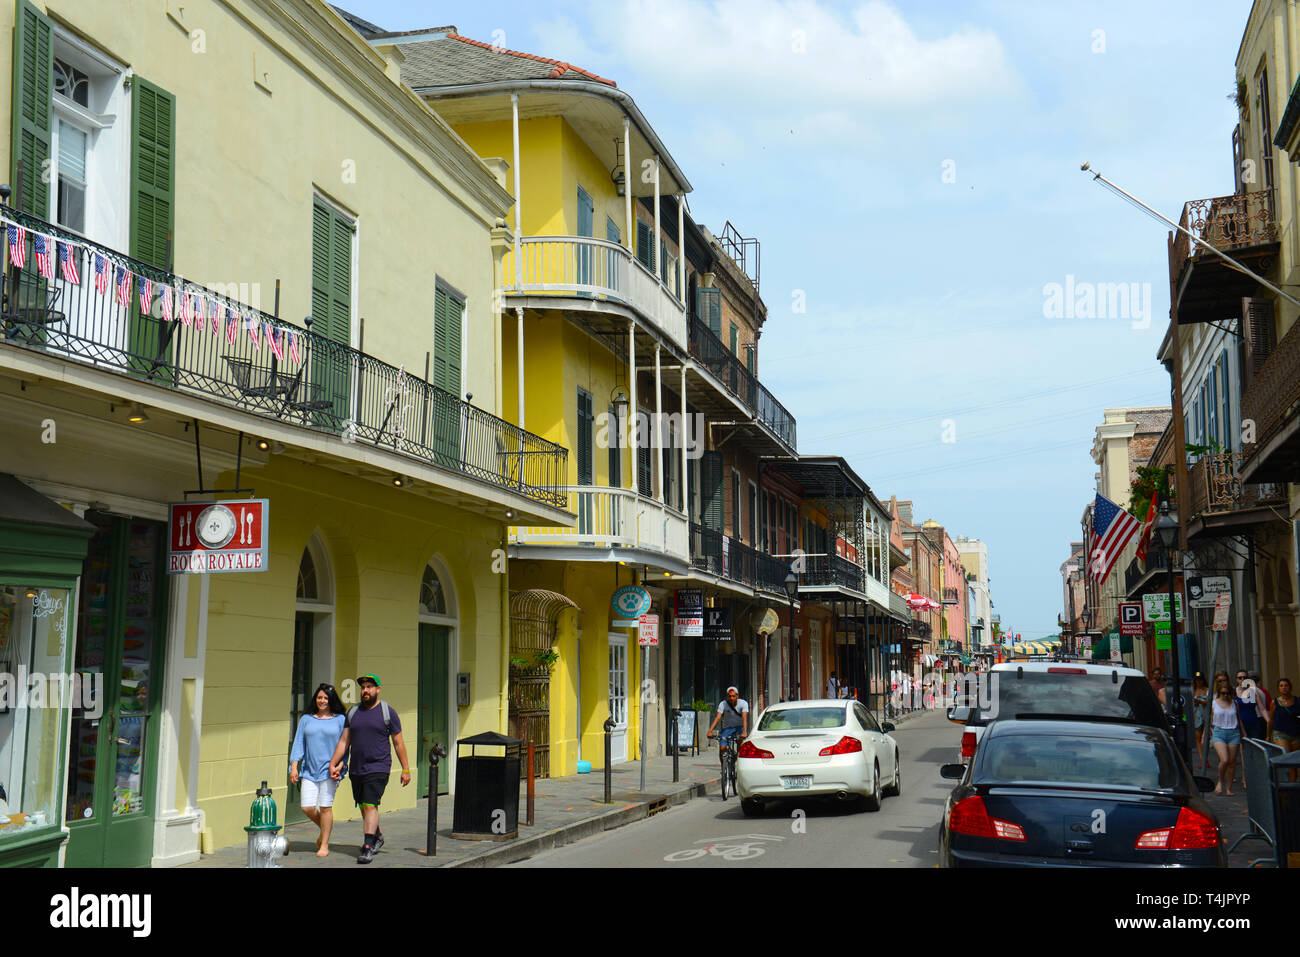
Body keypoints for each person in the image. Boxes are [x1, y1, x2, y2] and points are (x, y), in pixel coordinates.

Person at [328, 674, 411, 864]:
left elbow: (398, 743)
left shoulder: (387, 712)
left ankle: (367, 847)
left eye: (369, 687)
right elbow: (344, 741)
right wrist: (334, 762)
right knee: (364, 805)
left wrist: (405, 769)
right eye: (363, 687)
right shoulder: (353, 712)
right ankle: (377, 835)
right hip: (357, 767)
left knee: (369, 804)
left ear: (378, 689)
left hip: (378, 766)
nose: (365, 690)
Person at [289, 683, 347, 857]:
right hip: (309, 770)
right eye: (319, 697)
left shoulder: (340, 719)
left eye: (326, 698)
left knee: (325, 807)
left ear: (331, 700)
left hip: (330, 770)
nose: (322, 701)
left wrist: (341, 764)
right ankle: (324, 829)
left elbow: (345, 745)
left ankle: (324, 844)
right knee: (307, 807)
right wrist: (294, 766)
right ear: (315, 699)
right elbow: (299, 742)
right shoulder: (306, 719)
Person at [1210, 675, 1242, 795]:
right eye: (1223, 693)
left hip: (1234, 732)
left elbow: (1239, 719)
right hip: (1219, 732)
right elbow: (1210, 719)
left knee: (1232, 762)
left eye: (1228, 693)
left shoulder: (1234, 703)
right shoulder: (1214, 703)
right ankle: (1220, 782)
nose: (1226, 696)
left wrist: (1243, 734)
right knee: (1224, 759)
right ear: (1219, 693)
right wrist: (1206, 733)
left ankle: (1228, 788)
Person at [705, 686, 749, 767]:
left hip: (739, 727)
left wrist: (745, 732)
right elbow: (718, 717)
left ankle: (739, 763)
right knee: (722, 748)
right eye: (729, 696)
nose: (731, 698)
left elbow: (744, 717)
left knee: (740, 742)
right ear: (727, 696)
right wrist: (710, 731)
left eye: (733, 696)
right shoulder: (723, 704)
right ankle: (724, 767)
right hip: (727, 728)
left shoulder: (743, 703)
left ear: (737, 696)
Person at [1235, 669, 1268, 741]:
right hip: (1239, 724)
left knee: (1255, 746)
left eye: (1245, 677)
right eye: (1240, 678)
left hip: (1253, 724)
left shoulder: (1253, 691)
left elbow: (1262, 709)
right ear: (1236, 680)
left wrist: (1268, 721)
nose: (1242, 679)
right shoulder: (1233, 692)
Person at [1192, 674, 1211, 771]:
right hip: (1196, 716)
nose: (1199, 682)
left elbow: (1209, 701)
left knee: (1206, 739)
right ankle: (1202, 759)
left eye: (1200, 680)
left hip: (1206, 715)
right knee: (1198, 738)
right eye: (1197, 680)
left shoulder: (1207, 689)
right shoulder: (1192, 690)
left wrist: (1199, 701)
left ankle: (1205, 757)